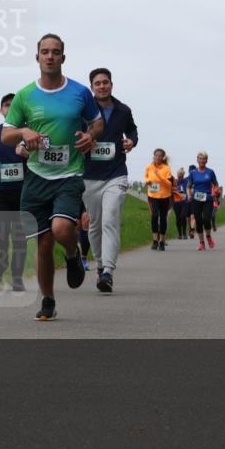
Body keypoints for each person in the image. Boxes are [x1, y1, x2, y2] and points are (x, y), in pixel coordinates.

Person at [2, 34, 103, 319]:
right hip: (36, 176)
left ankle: (73, 255)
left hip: (69, 173)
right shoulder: (25, 95)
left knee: (60, 230)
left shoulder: (80, 93)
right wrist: (23, 132)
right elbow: (5, 134)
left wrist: (90, 135)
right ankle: (48, 299)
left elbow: (97, 122)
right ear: (37, 57)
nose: (50, 56)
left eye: (55, 52)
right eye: (44, 52)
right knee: (44, 243)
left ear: (63, 58)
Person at [82, 68, 139, 293]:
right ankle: (99, 265)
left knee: (110, 220)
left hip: (116, 174)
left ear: (111, 85)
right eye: (98, 83)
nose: (102, 86)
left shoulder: (123, 110)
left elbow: (133, 131)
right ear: (92, 88)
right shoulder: (83, 112)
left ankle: (108, 271)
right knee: (95, 226)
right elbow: (72, 133)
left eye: (106, 82)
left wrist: (131, 142)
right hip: (90, 175)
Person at [0, 93, 27, 291]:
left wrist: (26, 153)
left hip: (23, 192)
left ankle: (17, 277)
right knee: (0, 234)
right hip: (1, 191)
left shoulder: (27, 132)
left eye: (13, 105)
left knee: (19, 236)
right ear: (1, 110)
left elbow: (39, 156)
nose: (9, 108)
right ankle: (1, 264)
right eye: (6, 105)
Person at [186, 152, 219, 250]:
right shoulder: (193, 173)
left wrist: (215, 191)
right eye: (200, 158)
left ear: (206, 160)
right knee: (199, 221)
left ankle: (208, 237)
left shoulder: (210, 172)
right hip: (196, 198)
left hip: (208, 198)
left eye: (204, 159)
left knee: (206, 219)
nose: (202, 161)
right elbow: (188, 186)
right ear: (197, 159)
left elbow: (216, 184)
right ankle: (201, 242)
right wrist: (189, 195)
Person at [144, 148, 173, 251]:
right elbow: (146, 177)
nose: (157, 157)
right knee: (154, 216)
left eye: (160, 155)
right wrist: (147, 181)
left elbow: (169, 184)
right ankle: (155, 240)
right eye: (156, 155)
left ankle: (162, 241)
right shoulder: (149, 167)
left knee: (163, 218)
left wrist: (159, 176)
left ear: (163, 157)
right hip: (152, 196)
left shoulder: (166, 168)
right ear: (153, 156)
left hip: (164, 196)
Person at [173, 168, 190, 238]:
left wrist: (189, 196)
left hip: (184, 202)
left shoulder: (186, 182)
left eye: (181, 175)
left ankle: (184, 233)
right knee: (178, 218)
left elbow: (188, 189)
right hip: (176, 202)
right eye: (179, 175)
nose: (180, 176)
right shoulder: (175, 182)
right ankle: (180, 234)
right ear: (177, 175)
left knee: (183, 216)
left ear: (183, 175)